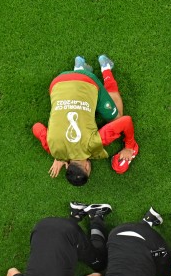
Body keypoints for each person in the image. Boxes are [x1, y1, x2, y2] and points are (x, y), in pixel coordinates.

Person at [32, 55, 138, 186]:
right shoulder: (54, 149)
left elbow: (126, 121)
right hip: (57, 83)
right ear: (67, 166)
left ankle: (106, 68)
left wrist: (129, 146)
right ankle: (79, 67)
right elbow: (36, 127)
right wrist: (57, 156)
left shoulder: (93, 144)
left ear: (87, 168)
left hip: (87, 81)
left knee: (118, 117)